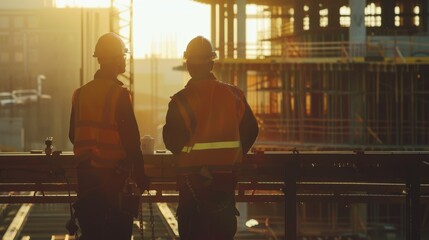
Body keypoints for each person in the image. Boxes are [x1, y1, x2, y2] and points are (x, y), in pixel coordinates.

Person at [163, 36, 259, 240]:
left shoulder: (180, 101)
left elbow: (172, 142)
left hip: (191, 185)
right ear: (212, 63)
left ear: (188, 64)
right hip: (224, 183)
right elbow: (251, 129)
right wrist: (234, 154)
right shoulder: (234, 96)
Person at [69, 32, 148, 240]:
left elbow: (72, 134)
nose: (124, 60)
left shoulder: (81, 93)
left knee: (92, 233)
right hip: (114, 180)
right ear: (114, 60)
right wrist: (140, 173)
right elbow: (131, 139)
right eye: (122, 56)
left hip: (87, 180)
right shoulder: (118, 94)